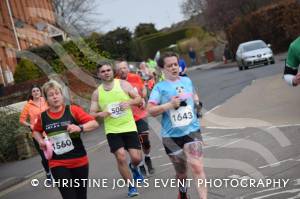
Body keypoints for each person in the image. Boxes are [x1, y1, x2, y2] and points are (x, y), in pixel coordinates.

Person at [147, 52, 207, 199]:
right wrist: (169, 105)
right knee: (181, 172)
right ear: (162, 69)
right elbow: (150, 110)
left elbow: (193, 96)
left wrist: (197, 105)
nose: (174, 68)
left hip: (192, 131)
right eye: (169, 65)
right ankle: (182, 192)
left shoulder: (187, 81)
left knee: (197, 167)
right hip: (171, 137)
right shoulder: (159, 88)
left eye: (176, 64)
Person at [32, 80, 99, 199]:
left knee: (81, 196)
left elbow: (94, 123)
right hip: (57, 163)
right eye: (51, 95)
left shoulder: (73, 110)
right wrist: (40, 140)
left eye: (57, 93)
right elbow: (36, 131)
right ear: (46, 98)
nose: (55, 97)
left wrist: (80, 127)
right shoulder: (42, 117)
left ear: (62, 95)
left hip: (79, 160)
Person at [89, 61, 144, 197]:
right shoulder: (97, 93)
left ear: (113, 72)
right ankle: (131, 186)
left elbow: (138, 99)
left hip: (129, 126)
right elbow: (91, 114)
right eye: (103, 71)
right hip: (112, 130)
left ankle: (134, 167)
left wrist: (129, 102)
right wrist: (102, 114)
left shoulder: (124, 84)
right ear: (99, 75)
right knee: (120, 157)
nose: (106, 73)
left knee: (136, 158)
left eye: (108, 70)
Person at [116, 60, 155, 176]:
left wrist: (142, 97)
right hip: (127, 118)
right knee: (135, 144)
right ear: (117, 71)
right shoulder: (115, 83)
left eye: (124, 68)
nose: (122, 70)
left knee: (145, 140)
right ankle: (141, 164)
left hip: (140, 114)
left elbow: (143, 89)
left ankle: (147, 157)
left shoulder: (135, 77)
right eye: (120, 68)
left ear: (128, 68)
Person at [19, 85, 51, 183]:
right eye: (34, 91)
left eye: (38, 90)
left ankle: (58, 173)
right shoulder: (28, 106)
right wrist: (30, 126)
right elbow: (21, 120)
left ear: (40, 92)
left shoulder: (46, 101)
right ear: (31, 94)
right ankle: (48, 173)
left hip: (50, 131)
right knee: (44, 156)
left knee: (54, 153)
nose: (36, 92)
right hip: (37, 134)